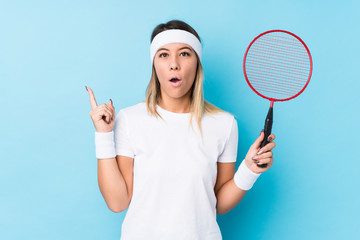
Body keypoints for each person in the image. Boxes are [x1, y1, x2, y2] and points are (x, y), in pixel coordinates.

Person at [86, 20, 276, 240]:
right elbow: (117, 202)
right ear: (154, 64)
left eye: (185, 54)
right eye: (163, 54)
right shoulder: (129, 119)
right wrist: (103, 135)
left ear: (197, 63)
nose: (174, 64)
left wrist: (249, 170)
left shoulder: (224, 124)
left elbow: (219, 204)